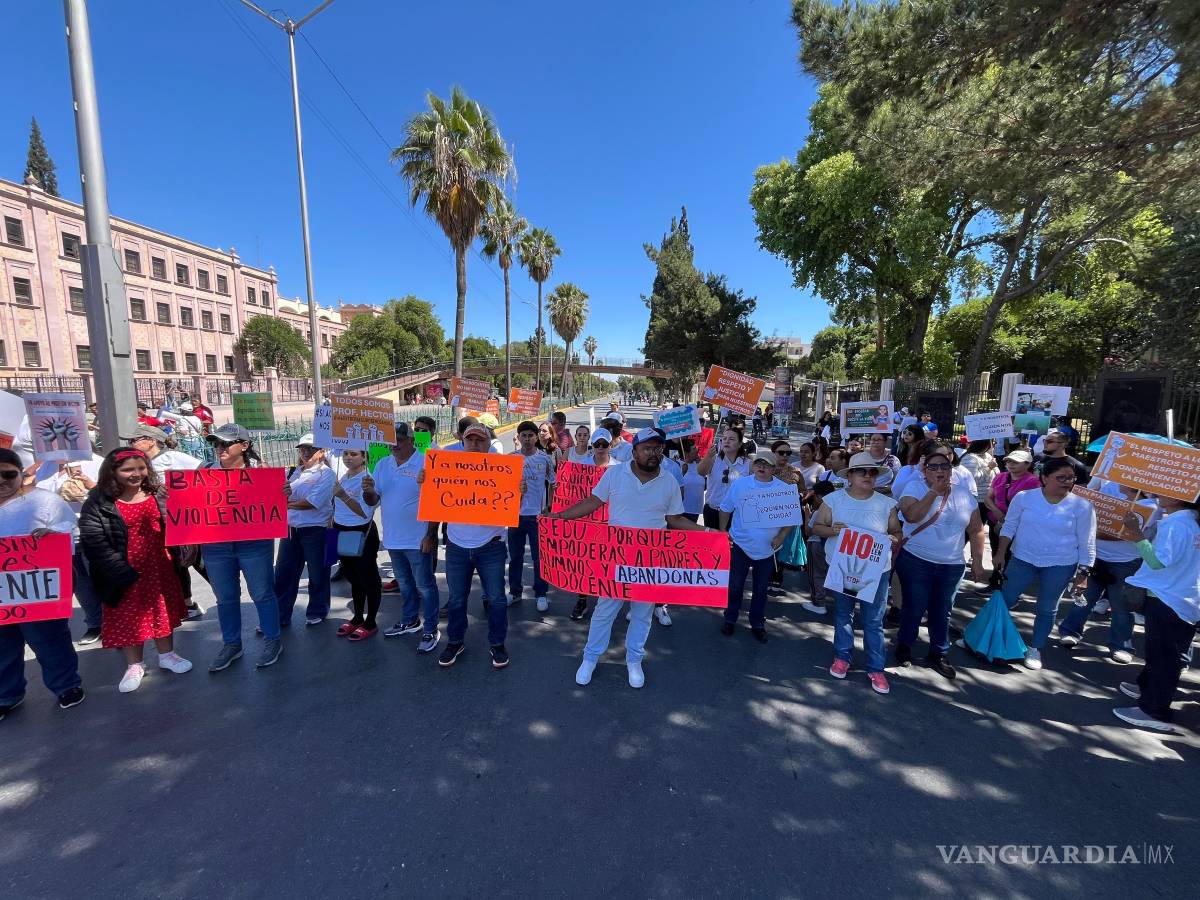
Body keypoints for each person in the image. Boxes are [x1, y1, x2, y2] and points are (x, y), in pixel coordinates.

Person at [551, 428, 707, 688]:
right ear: (634, 451)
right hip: (615, 557)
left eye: (657, 448)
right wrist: (558, 517)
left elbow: (675, 519)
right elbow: (593, 502)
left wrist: (710, 533)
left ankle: (634, 660)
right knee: (604, 611)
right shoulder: (614, 474)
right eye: (647, 448)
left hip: (648, 561)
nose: (653, 453)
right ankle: (590, 657)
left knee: (642, 614)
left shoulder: (668, 481)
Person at [79, 448, 192, 692]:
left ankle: (168, 655)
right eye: (127, 469)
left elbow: (178, 520)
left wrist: (169, 503)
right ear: (113, 472)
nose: (136, 474)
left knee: (162, 610)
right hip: (122, 570)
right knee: (128, 617)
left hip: (159, 565)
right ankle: (134, 664)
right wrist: (118, 570)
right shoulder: (98, 499)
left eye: (141, 468)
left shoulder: (156, 492)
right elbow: (93, 538)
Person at [0, 447, 86, 720]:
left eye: (8, 474)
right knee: (3, 645)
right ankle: (6, 694)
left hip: (37, 587)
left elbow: (72, 532)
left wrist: (52, 535)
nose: (1, 481)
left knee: (48, 639)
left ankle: (66, 685)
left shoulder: (46, 502)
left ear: (20, 474)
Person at [810, 452, 902, 694]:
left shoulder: (887, 504)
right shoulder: (832, 500)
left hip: (875, 571)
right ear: (849, 475)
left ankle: (876, 668)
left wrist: (894, 539)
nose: (868, 476)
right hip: (844, 569)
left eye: (872, 472)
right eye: (862, 471)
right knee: (844, 614)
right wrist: (832, 531)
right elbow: (816, 528)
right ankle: (842, 657)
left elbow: (897, 532)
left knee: (873, 620)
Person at [992, 457, 1096, 670]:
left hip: (1061, 564)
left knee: (1047, 608)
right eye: (1061, 477)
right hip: (1022, 559)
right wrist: (1000, 552)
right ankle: (992, 640)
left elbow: (1087, 543)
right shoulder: (1024, 498)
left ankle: (1035, 647)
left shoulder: (1083, 507)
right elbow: (1009, 526)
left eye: (1071, 478)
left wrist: (1083, 575)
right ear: (1045, 478)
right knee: (1004, 600)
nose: (1067, 481)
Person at [894, 444, 987, 679]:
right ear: (924, 470)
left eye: (944, 466)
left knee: (942, 611)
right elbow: (912, 515)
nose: (939, 470)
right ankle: (905, 645)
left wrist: (977, 561)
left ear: (951, 469)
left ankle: (939, 653)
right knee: (914, 607)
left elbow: (976, 529)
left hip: (952, 565)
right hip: (916, 560)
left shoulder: (965, 494)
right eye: (933, 466)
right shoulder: (913, 487)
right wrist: (934, 491)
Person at [1112, 496, 1200, 732]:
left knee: (1163, 657)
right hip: (1181, 596)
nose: (1159, 494)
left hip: (1168, 597)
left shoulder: (1178, 524)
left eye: (1167, 490)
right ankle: (1147, 688)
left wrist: (1136, 534)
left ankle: (1154, 710)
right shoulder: (1191, 522)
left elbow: (1157, 561)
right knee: (1162, 653)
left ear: (1182, 498)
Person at [201, 424, 284, 672]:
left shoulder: (261, 472)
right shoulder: (203, 472)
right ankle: (231, 644)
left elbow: (276, 506)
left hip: (254, 544)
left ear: (244, 446)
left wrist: (283, 494)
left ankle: (273, 640)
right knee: (225, 598)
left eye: (226, 443)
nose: (220, 448)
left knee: (262, 593)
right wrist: (169, 497)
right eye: (216, 444)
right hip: (216, 547)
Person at [430, 423, 513, 669]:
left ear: (488, 444)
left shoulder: (502, 470)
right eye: (470, 440)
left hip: (491, 546)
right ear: (463, 443)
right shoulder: (447, 467)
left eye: (480, 440)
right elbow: (433, 500)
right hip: (456, 545)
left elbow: (512, 508)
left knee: (497, 599)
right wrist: (425, 480)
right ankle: (455, 641)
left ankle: (497, 643)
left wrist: (519, 490)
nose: (475, 444)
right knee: (456, 599)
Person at [1058, 479, 1158, 663]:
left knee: (1122, 606)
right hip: (1097, 557)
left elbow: (1122, 535)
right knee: (1084, 597)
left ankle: (1121, 645)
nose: (1120, 482)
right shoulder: (1118, 497)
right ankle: (1070, 631)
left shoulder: (1151, 507)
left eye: (1126, 480)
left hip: (1125, 563)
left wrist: (1089, 530)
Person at [374, 423, 441, 653]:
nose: (395, 444)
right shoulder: (382, 464)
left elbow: (435, 503)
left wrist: (430, 536)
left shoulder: (425, 462)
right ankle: (410, 620)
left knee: (426, 586)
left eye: (400, 440)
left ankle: (431, 628)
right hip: (392, 539)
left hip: (417, 538)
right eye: (392, 440)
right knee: (404, 584)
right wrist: (366, 490)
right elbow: (374, 499)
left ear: (411, 440)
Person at [719, 449, 795, 642]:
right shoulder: (740, 485)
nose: (762, 467)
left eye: (767, 465)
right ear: (753, 466)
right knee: (735, 586)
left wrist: (782, 536)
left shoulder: (783, 489)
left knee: (761, 590)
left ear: (774, 469)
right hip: (740, 545)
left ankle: (757, 623)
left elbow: (791, 519)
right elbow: (725, 508)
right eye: (759, 463)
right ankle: (730, 618)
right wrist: (722, 532)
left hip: (768, 550)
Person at [34, 454, 106, 644]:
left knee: (103, 578)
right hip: (59, 535)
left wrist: (90, 486)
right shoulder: (43, 468)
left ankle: (117, 621)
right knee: (80, 583)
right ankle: (95, 623)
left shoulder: (97, 462)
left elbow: (113, 495)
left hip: (93, 530)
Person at [274, 433, 335, 627]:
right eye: (303, 448)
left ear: (321, 452)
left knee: (318, 573)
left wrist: (286, 504)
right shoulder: (292, 472)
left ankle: (318, 610)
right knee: (284, 574)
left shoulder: (327, 474)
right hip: (291, 530)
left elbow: (312, 503)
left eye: (311, 449)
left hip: (317, 530)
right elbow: (276, 494)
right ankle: (280, 615)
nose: (306, 452)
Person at [329, 448, 382, 640]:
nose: (348, 458)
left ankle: (371, 621)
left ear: (365, 457)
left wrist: (342, 495)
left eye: (354, 454)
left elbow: (365, 512)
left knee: (368, 578)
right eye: (345, 454)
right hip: (340, 530)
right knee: (352, 576)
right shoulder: (342, 476)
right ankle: (358, 616)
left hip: (361, 532)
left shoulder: (367, 479)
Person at [510, 420, 556, 611]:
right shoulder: (510, 458)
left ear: (536, 437)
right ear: (518, 438)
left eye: (531, 435)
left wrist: (549, 507)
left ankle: (541, 593)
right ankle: (514, 592)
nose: (527, 439)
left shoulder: (544, 458)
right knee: (515, 557)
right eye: (524, 435)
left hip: (537, 516)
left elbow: (553, 483)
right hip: (514, 516)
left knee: (539, 558)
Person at [983, 449, 1040, 554]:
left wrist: (1009, 518)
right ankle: (997, 570)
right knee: (996, 550)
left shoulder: (1033, 482)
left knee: (1011, 553)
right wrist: (997, 512)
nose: (1011, 464)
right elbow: (988, 498)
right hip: (996, 522)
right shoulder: (1000, 476)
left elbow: (1033, 505)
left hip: (1018, 525)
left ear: (1027, 465)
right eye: (1009, 461)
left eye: (1016, 462)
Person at [697, 428, 749, 528]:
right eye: (724, 438)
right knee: (713, 542)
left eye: (732, 439)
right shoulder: (714, 459)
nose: (727, 441)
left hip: (736, 513)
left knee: (732, 543)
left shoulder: (748, 464)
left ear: (739, 444)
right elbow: (701, 472)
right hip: (712, 511)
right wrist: (708, 456)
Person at [124, 424, 200, 474]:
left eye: (133, 440)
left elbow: (208, 469)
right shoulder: (140, 462)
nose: (130, 444)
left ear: (151, 442)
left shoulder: (171, 456)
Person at [960, 439, 998, 524]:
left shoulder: (987, 456)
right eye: (992, 441)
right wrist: (989, 468)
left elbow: (996, 473)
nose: (995, 443)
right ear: (984, 443)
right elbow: (972, 480)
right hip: (977, 501)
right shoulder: (969, 458)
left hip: (988, 500)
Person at [679, 440, 705, 523]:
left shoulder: (699, 464)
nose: (697, 450)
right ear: (686, 452)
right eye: (694, 449)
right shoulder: (678, 465)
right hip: (681, 510)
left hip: (695, 509)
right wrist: (682, 472)